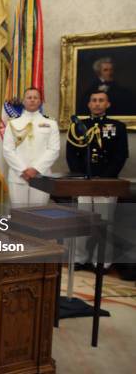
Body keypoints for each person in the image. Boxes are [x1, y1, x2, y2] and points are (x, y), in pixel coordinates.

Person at [67, 90, 129, 268]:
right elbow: (71, 154)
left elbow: (121, 155)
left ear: (107, 104)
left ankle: (101, 261)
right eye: (93, 100)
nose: (97, 103)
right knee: (81, 223)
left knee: (105, 225)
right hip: (84, 182)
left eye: (101, 100)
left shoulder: (117, 126)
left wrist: (105, 178)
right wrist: (81, 176)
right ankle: (79, 258)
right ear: (89, 104)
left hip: (107, 183)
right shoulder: (78, 126)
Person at [2, 87, 60, 206]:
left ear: (40, 101)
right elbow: (8, 150)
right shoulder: (13, 123)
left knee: (39, 216)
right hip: (18, 177)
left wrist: (35, 169)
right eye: (29, 97)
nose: (32, 100)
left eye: (35, 97)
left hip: (41, 175)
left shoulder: (51, 123)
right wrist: (23, 170)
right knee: (19, 215)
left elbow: (54, 150)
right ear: (23, 101)